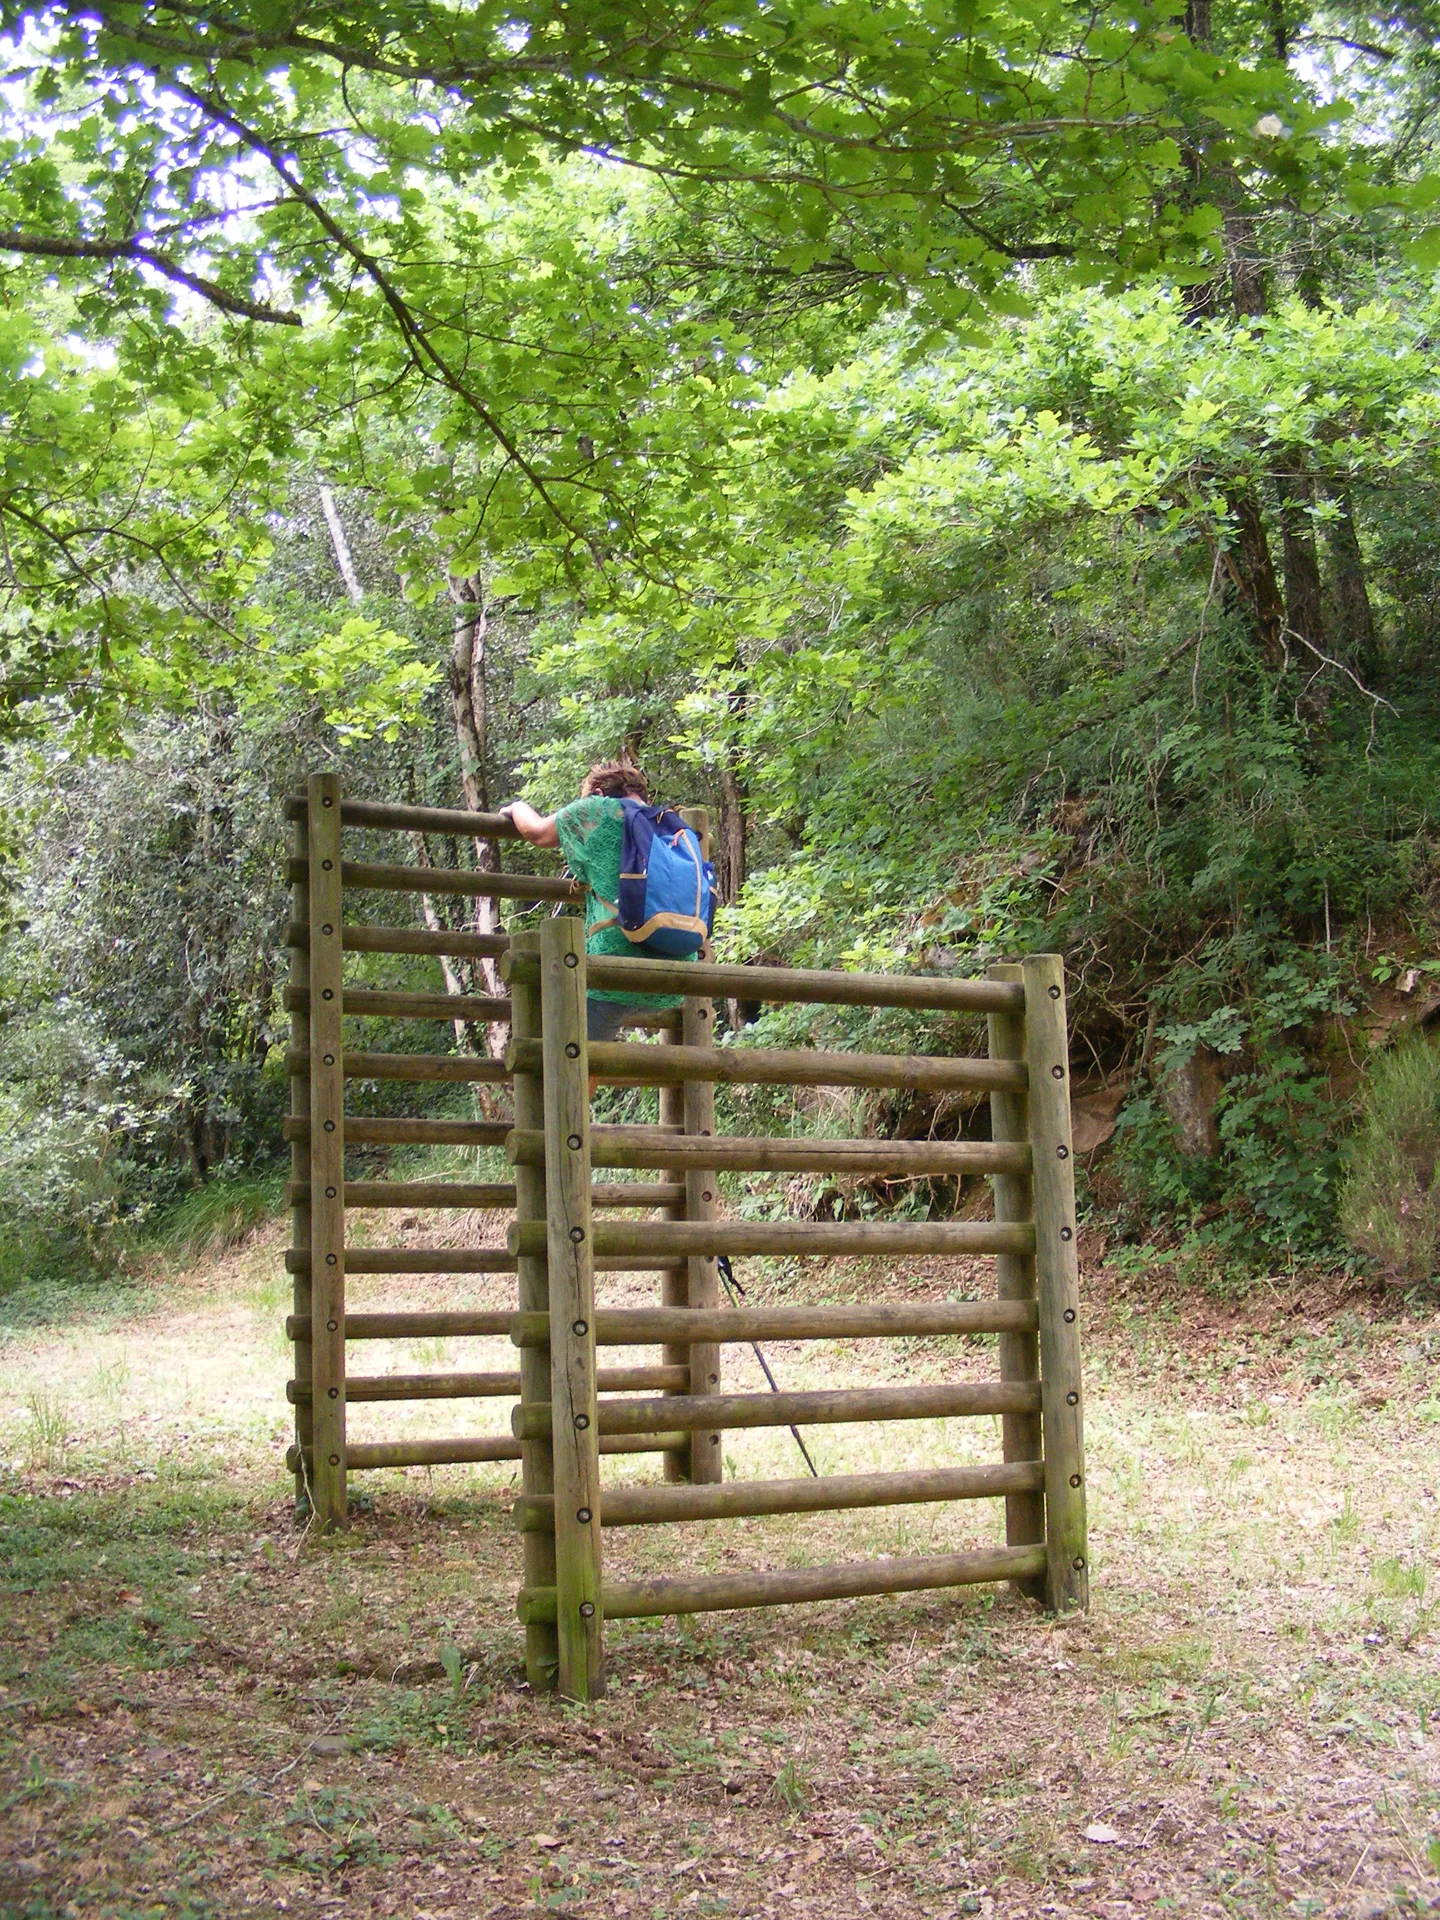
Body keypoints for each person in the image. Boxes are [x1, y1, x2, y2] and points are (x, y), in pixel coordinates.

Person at [499, 762, 695, 1041]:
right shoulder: (670, 823)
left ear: (598, 793)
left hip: (618, 962)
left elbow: (537, 833)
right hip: (677, 967)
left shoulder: (598, 808)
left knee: (572, 1056)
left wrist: (516, 807)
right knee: (587, 1054)